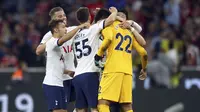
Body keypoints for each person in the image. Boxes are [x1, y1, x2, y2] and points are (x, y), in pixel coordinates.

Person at [94, 19, 148, 112]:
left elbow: (108, 39)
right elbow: (143, 53)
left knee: (103, 103)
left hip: (112, 69)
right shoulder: (129, 32)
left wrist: (98, 56)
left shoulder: (109, 26)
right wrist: (144, 69)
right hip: (127, 72)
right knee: (127, 106)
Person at [72, 7, 117, 112]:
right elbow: (110, 20)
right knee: (94, 108)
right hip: (90, 74)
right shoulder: (93, 29)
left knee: (81, 109)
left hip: (77, 76)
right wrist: (114, 12)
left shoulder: (75, 35)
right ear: (89, 16)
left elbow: (88, 31)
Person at [35, 7, 78, 111]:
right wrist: (53, 41)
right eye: (59, 16)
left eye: (64, 15)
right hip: (60, 78)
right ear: (53, 20)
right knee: (60, 108)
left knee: (81, 105)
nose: (63, 18)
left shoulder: (72, 30)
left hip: (73, 75)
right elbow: (38, 50)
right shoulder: (50, 35)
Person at [42, 19, 89, 112]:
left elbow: (56, 66)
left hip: (59, 83)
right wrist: (79, 27)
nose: (66, 29)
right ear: (55, 30)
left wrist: (68, 72)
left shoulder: (58, 48)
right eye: (63, 27)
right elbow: (64, 39)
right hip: (52, 84)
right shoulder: (52, 42)